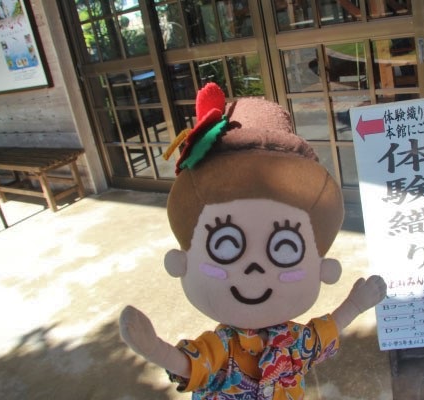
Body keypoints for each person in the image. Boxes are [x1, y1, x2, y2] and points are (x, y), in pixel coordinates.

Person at [120, 83, 386, 399]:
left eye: (285, 248)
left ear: (323, 268)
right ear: (181, 262)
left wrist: (354, 305)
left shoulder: (293, 341)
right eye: (226, 245)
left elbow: (322, 334)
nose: (255, 268)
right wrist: (155, 349)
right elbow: (193, 365)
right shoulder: (222, 348)